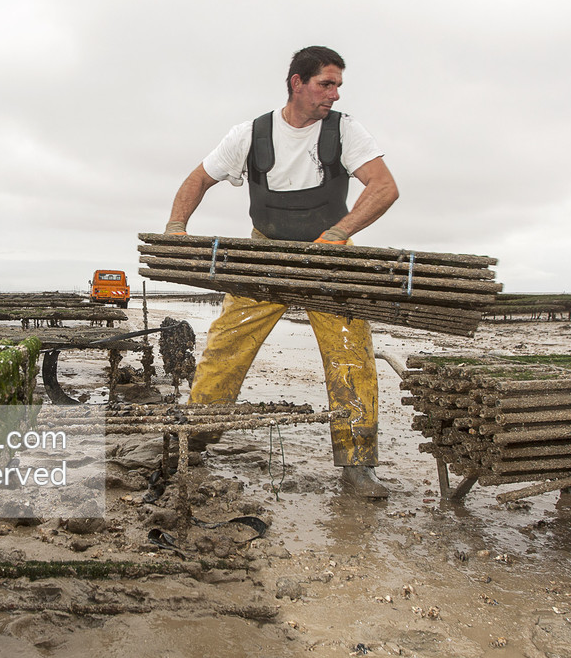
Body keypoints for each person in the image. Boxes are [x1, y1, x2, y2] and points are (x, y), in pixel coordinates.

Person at [163, 46, 400, 497]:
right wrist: (177, 227)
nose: (333, 93)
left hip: (330, 259)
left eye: (337, 86)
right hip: (265, 254)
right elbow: (198, 178)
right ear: (297, 82)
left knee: (351, 355)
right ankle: (194, 438)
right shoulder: (250, 134)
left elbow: (384, 188)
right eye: (325, 84)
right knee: (226, 345)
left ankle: (358, 465)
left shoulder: (345, 130)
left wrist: (338, 233)